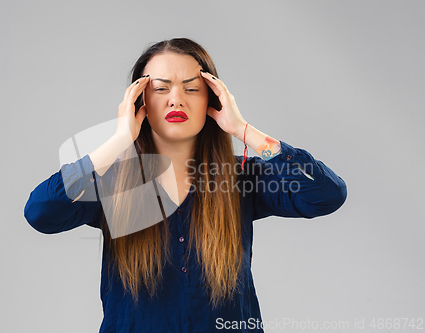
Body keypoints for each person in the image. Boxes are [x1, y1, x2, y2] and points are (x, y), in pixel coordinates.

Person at [24, 37, 347, 333]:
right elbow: (41, 213)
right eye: (161, 89)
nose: (176, 100)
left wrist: (243, 129)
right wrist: (119, 140)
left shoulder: (241, 177)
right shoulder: (111, 182)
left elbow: (325, 195)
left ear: (214, 99)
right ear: (139, 102)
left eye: (191, 88)